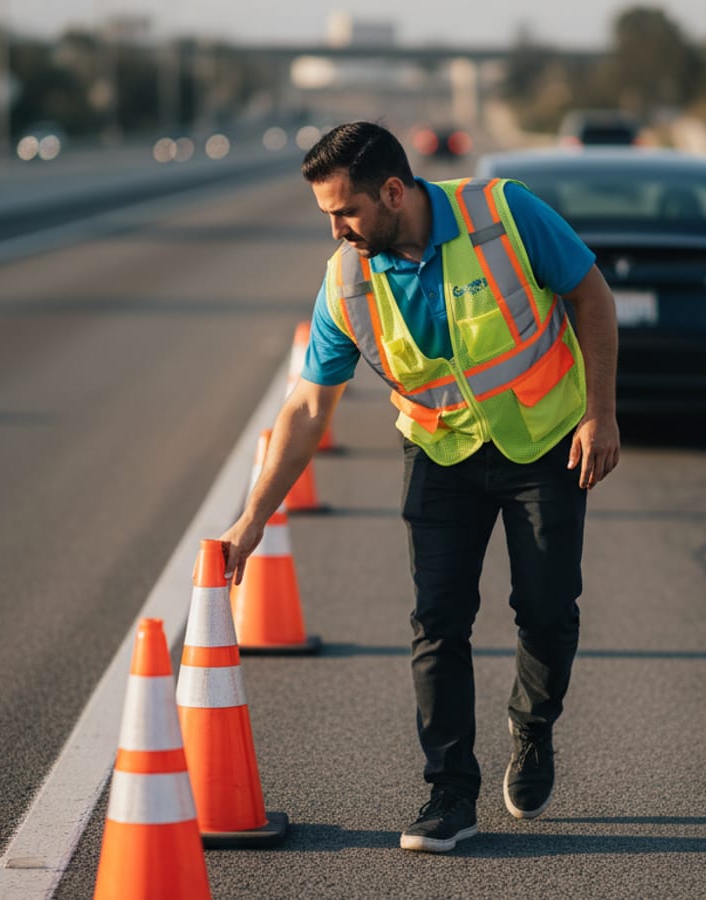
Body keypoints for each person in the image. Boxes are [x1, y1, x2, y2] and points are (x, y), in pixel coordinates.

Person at [220, 121, 620, 853]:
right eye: (328, 217)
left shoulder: (504, 214)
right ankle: (450, 794)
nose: (336, 230)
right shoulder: (346, 280)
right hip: (441, 455)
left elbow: (591, 297)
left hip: (544, 444)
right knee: (437, 621)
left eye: (345, 212)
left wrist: (599, 414)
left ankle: (532, 729)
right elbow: (309, 407)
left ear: (395, 192)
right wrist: (251, 519)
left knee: (547, 608)